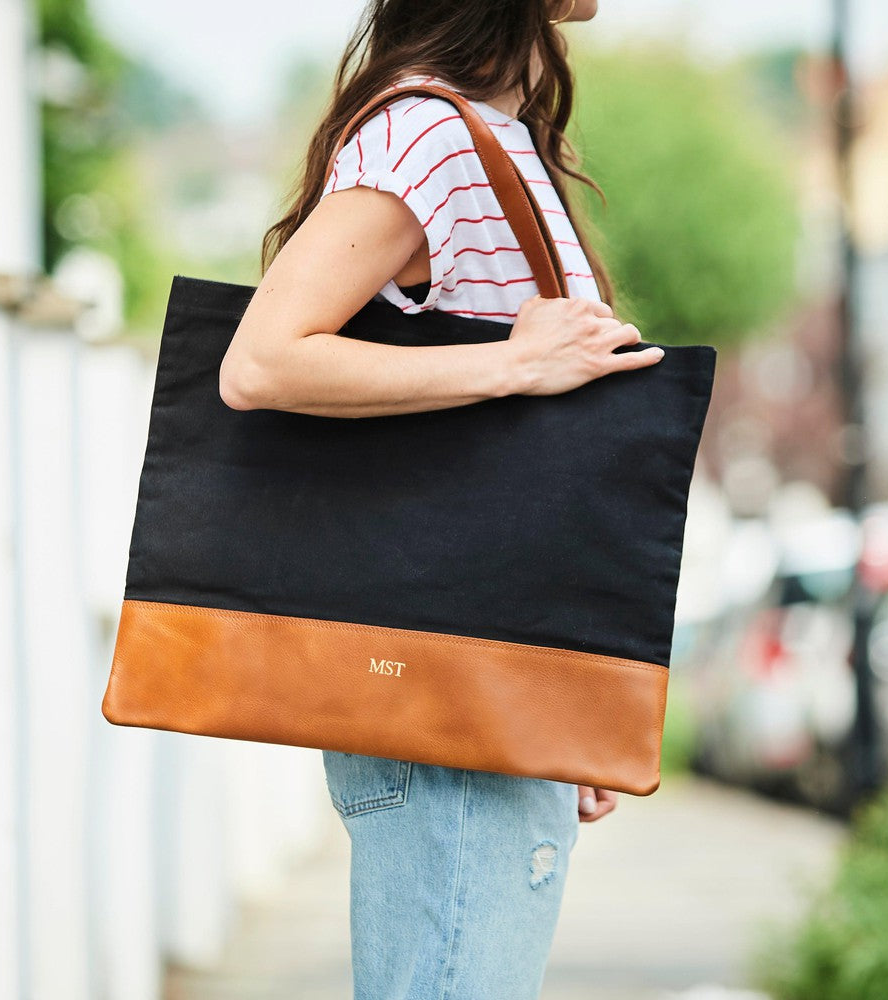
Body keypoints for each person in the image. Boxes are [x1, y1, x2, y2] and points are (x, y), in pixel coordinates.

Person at [220, 0, 664, 996]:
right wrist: (508, 368)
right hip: (442, 701)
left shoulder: (492, 137)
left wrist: (578, 686)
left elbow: (536, 465)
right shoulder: (427, 133)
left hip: (494, 694)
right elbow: (261, 361)